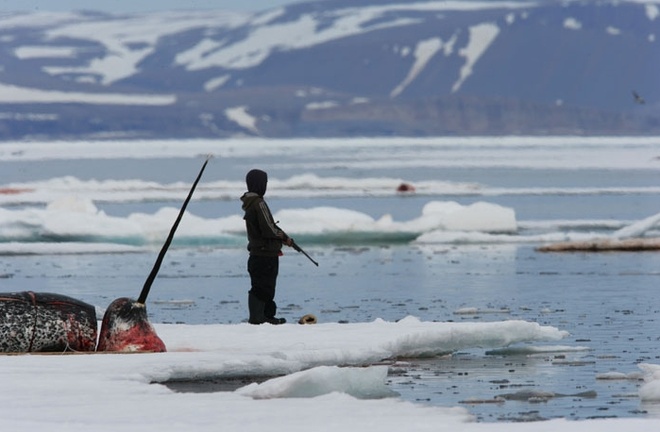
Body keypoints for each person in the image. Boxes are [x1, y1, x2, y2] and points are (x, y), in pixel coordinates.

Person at [240, 169, 293, 325]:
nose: (266, 186)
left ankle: (264, 316)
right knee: (265, 286)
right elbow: (269, 228)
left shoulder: (249, 203)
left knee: (259, 285)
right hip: (265, 254)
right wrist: (284, 237)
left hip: (257, 253)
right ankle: (260, 317)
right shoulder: (259, 203)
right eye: (265, 183)